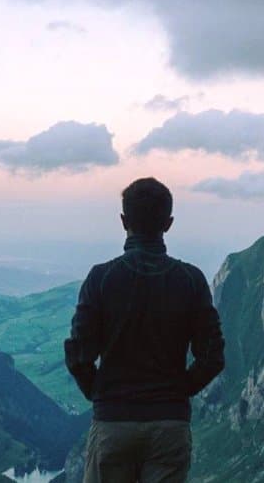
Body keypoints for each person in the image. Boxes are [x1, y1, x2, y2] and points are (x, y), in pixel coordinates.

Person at [65, 177, 226, 483]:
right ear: (169, 224)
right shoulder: (191, 280)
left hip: (113, 423)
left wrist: (100, 394)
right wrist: (178, 391)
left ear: (123, 221)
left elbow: (78, 353)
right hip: (169, 426)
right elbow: (213, 356)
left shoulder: (101, 278)